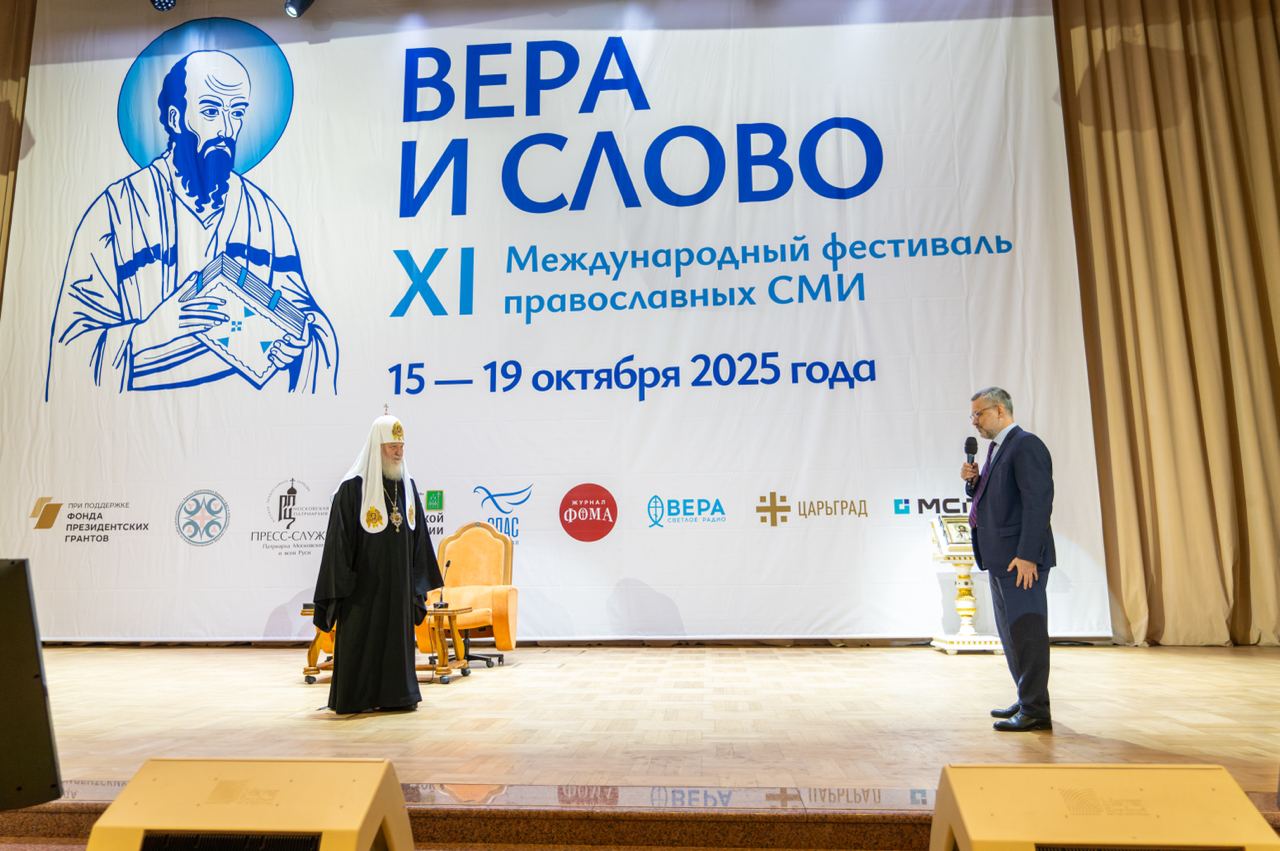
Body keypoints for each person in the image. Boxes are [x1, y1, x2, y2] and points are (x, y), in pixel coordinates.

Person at [45, 49, 338, 398]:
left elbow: (307, 321)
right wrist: (155, 330)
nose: (227, 129)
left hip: (244, 416)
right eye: (211, 111)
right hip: (143, 416)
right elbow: (71, 349)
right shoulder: (118, 212)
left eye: (237, 113)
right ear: (175, 119)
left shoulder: (263, 215)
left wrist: (299, 344)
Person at [312, 413, 442, 713]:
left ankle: (399, 696)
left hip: (398, 587)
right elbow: (339, 543)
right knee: (362, 639)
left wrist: (416, 582)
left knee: (397, 641)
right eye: (392, 446)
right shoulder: (352, 489)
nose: (398, 452)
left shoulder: (407, 486)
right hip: (363, 588)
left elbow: (419, 537)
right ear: (377, 447)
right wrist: (342, 584)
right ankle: (357, 698)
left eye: (401, 446)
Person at [961, 387, 1055, 732]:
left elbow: (1038, 503)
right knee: (1012, 636)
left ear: (1000, 410)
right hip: (1001, 558)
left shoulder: (1025, 445)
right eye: (972, 415)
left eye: (979, 413)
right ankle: (1026, 697)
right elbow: (999, 499)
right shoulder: (997, 449)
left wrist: (1028, 555)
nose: (974, 421)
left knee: (1027, 634)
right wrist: (973, 484)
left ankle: (1035, 711)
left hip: (1020, 561)